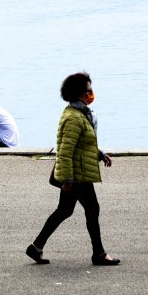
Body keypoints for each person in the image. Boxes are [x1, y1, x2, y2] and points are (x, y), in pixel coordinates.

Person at [26, 72, 120, 267]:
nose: (91, 94)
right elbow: (66, 151)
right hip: (77, 175)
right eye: (88, 91)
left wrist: (99, 153)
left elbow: (82, 144)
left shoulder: (80, 114)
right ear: (78, 93)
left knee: (64, 210)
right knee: (92, 209)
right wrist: (68, 180)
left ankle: (36, 247)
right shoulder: (74, 118)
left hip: (79, 171)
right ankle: (99, 254)